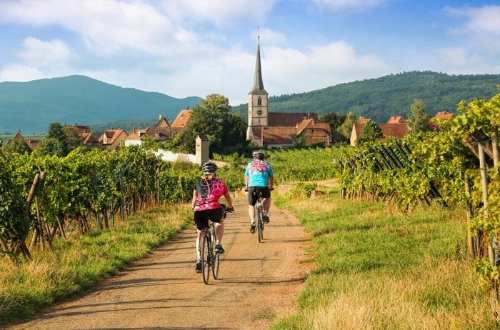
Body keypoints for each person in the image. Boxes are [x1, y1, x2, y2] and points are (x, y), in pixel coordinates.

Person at [192, 161, 234, 273]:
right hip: (214, 208)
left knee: (200, 234)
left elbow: (194, 199)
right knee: (219, 221)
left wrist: (193, 209)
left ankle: (199, 260)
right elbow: (227, 197)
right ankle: (218, 244)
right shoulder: (220, 183)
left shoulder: (198, 183)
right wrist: (230, 207)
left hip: (199, 210)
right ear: (215, 172)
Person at [244, 150, 273, 233]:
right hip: (264, 186)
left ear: (254, 158)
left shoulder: (250, 165)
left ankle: (252, 222)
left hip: (252, 187)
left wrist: (246, 186)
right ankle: (265, 214)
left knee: (251, 205)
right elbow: (271, 177)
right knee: (268, 198)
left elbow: (246, 176)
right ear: (263, 158)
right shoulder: (267, 165)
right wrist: (271, 186)